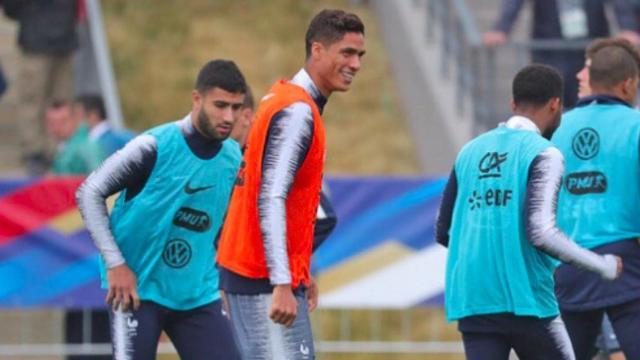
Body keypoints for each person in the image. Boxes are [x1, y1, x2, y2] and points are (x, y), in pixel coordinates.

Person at [435, 64, 622, 360]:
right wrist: (603, 265)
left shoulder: (469, 151)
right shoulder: (544, 152)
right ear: (555, 105)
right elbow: (542, 232)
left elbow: (444, 230)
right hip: (526, 300)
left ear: (513, 104)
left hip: (474, 300)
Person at [216, 9, 365, 359]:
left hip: (257, 272)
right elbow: (270, 196)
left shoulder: (282, 98)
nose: (356, 64)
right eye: (346, 52)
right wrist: (281, 281)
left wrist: (297, 271)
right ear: (317, 50)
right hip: (262, 277)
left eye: (360, 55)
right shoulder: (297, 111)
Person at [75, 59, 246, 360]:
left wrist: (223, 281)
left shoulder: (233, 157)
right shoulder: (153, 146)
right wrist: (116, 264)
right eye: (220, 105)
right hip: (137, 292)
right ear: (197, 98)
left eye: (236, 107)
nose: (229, 116)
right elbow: (89, 192)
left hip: (197, 295)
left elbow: (218, 226)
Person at [552, 38, 640, 360]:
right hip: (624, 265)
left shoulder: (557, 129)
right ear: (628, 84)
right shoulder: (636, 126)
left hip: (569, 264)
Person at [574, 38, 629, 360]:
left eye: (589, 69)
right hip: (580, 269)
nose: (580, 75)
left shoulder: (628, 130)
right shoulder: (567, 129)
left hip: (618, 265)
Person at [483, 0, 640, 109]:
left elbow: (621, 4)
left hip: (588, 48)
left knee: (590, 99)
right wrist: (502, 28)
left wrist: (627, 26)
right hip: (550, 48)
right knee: (551, 100)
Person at [3, 0, 78, 174]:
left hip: (60, 38)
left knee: (59, 100)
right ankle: (35, 151)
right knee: (33, 99)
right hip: (38, 38)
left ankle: (53, 149)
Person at [45, 99, 104, 175]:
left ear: (75, 119)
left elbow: (99, 179)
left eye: (63, 121)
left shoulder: (88, 146)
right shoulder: (62, 149)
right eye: (52, 123)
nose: (57, 127)